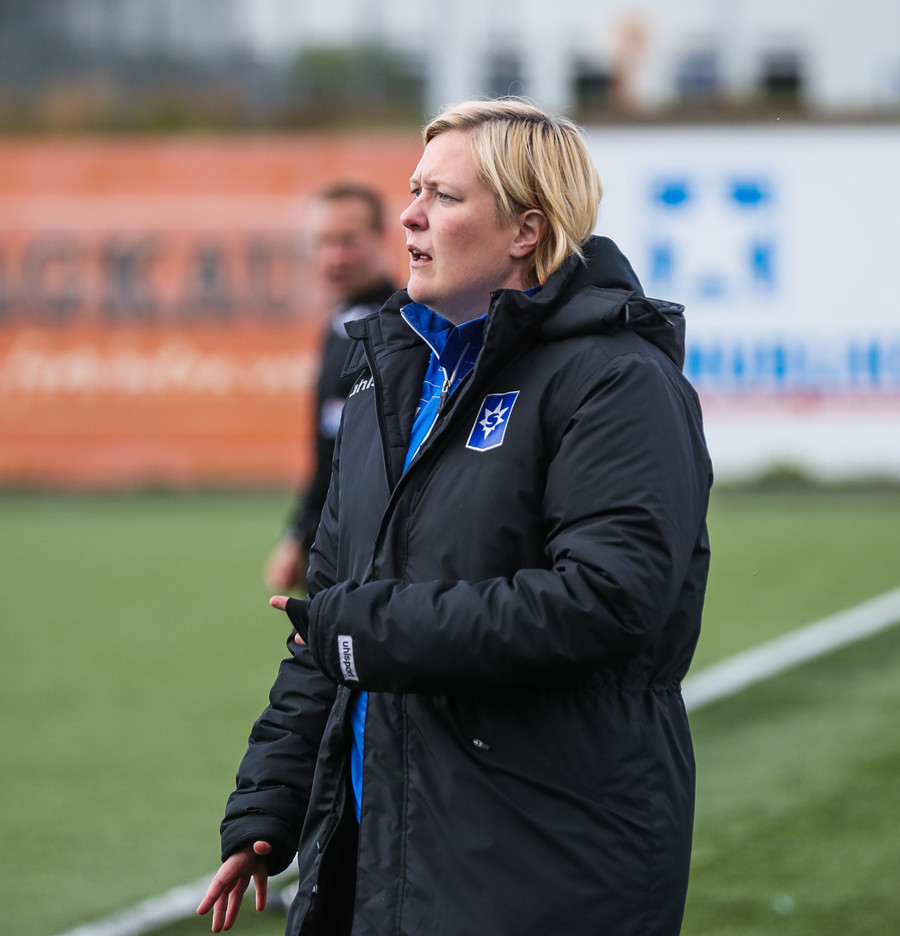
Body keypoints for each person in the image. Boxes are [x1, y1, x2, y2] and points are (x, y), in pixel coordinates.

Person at [198, 98, 713, 936]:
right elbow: (327, 617)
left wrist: (366, 632)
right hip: (380, 854)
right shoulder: (387, 379)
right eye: (414, 190)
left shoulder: (618, 381)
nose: (410, 215)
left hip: (546, 858)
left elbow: (609, 600)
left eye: (443, 196)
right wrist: (270, 800)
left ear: (525, 230)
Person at [264, 182, 396, 593]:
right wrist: (303, 530)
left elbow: (348, 449)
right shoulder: (342, 321)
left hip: (375, 546)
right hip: (344, 535)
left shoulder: (394, 326)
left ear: (380, 237)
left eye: (347, 241)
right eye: (322, 242)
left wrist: (302, 533)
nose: (334, 256)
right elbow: (330, 445)